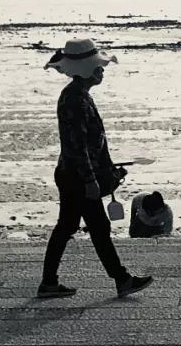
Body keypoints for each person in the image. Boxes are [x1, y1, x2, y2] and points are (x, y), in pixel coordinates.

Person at [39, 37, 152, 299]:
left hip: (71, 174)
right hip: (77, 177)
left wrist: (106, 170)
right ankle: (122, 279)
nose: (102, 71)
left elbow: (84, 146)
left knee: (67, 227)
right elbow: (77, 146)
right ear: (86, 70)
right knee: (98, 228)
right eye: (98, 67)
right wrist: (90, 180)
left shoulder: (78, 96)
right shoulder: (76, 100)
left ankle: (49, 282)